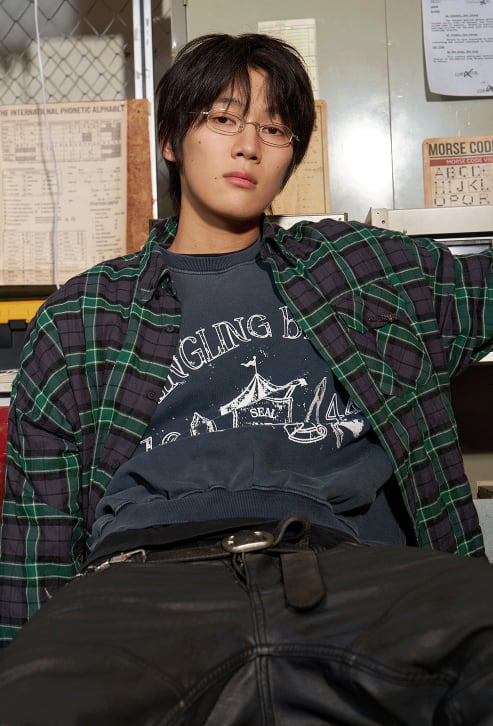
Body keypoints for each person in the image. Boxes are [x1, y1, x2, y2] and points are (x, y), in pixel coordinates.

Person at [0, 31, 493, 724]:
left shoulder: (363, 270)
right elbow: (37, 548)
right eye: (223, 118)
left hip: (347, 574)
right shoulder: (83, 315)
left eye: (274, 128)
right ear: (171, 140)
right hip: (146, 585)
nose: (249, 146)